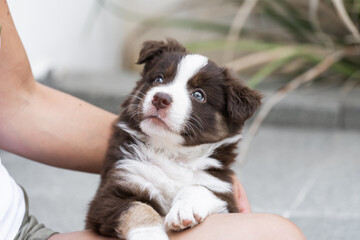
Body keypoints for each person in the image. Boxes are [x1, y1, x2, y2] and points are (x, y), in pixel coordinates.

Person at [0, 1, 305, 239]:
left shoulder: (211, 180)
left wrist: (201, 194)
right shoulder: (131, 162)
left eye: (198, 95)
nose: (163, 94)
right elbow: (106, 209)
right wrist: (144, 227)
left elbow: (16, 100)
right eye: (159, 78)